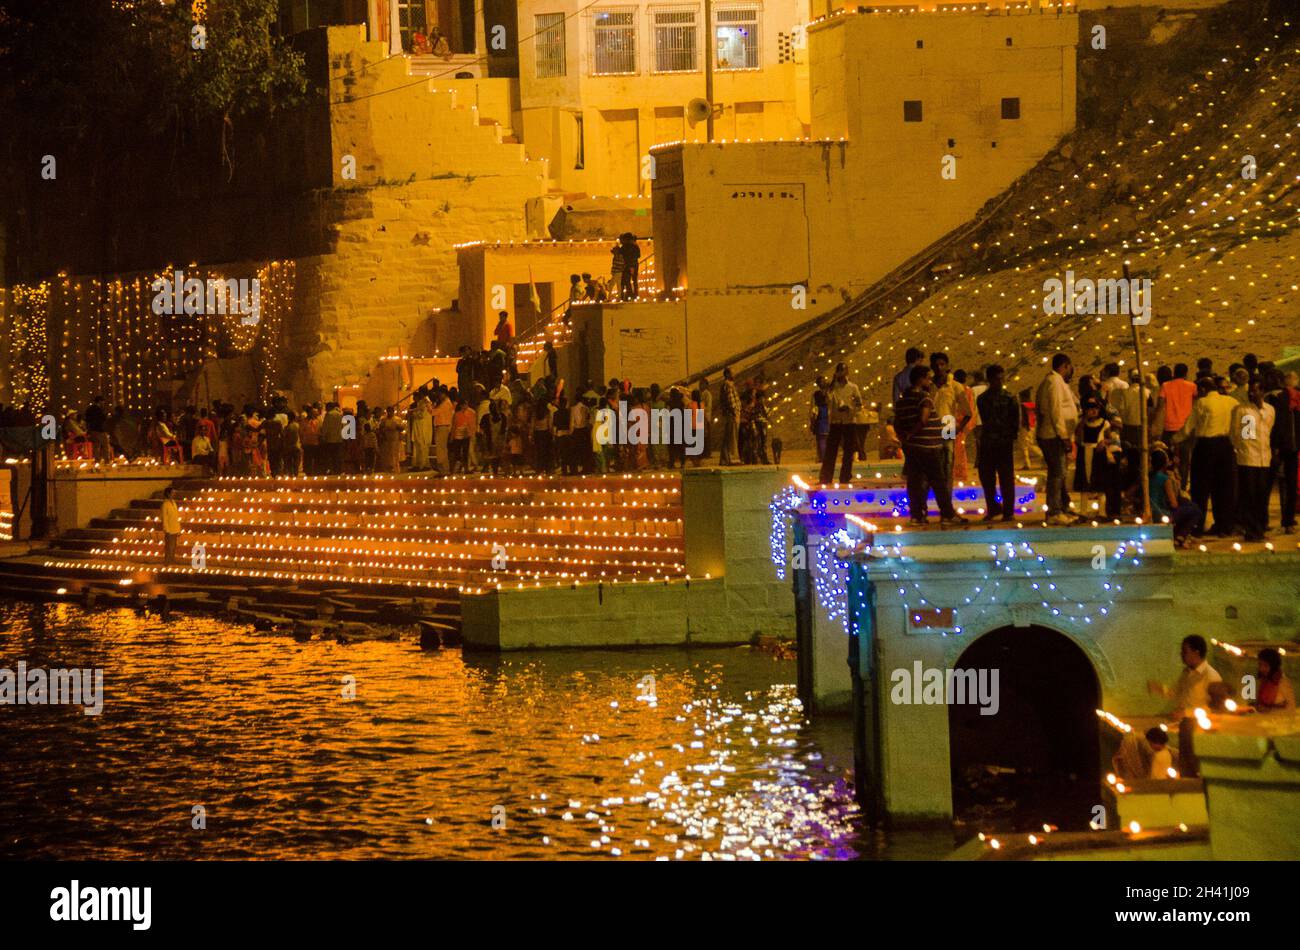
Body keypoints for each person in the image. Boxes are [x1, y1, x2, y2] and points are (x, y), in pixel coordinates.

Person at [895, 365, 963, 525]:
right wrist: (913, 432)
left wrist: (905, 438)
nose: (930, 380)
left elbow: (897, 421)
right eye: (927, 377)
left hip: (912, 446)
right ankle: (947, 513)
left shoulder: (902, 400)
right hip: (929, 445)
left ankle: (917, 515)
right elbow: (924, 419)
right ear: (920, 379)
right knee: (938, 481)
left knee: (914, 481)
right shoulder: (924, 398)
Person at [1180, 375, 1238, 536]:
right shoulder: (1232, 402)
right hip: (1227, 447)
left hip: (1206, 447)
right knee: (1225, 489)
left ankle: (1198, 526)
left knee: (1201, 488)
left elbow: (1187, 429)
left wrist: (1173, 439)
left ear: (1203, 389)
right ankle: (1225, 526)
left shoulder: (1202, 403)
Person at [1035, 353, 1080, 524]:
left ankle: (1062, 507)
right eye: (1070, 367)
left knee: (1059, 473)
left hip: (1055, 435)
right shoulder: (1053, 382)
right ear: (1065, 366)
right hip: (1053, 435)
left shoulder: (1056, 382)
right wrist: (1064, 435)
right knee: (1057, 473)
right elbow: (1055, 411)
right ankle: (1054, 511)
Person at [1230, 379, 1275, 542]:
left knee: (1262, 495)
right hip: (1248, 457)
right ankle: (1251, 529)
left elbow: (1269, 430)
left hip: (1264, 458)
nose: (1251, 393)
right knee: (1249, 495)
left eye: (1255, 390)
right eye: (1251, 390)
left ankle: (1261, 526)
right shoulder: (1241, 410)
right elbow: (1235, 433)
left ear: (1262, 392)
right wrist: (1242, 448)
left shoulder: (1270, 410)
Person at [975, 364, 1018, 522]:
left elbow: (1015, 423)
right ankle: (995, 508)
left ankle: (1007, 511)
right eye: (997, 379)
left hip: (1001, 442)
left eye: (1001, 378)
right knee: (988, 479)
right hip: (992, 442)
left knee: (1005, 479)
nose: (999, 382)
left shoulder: (1008, 398)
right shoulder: (984, 399)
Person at [1265, 369, 1298, 535]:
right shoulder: (1287, 399)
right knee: (1289, 485)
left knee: (1268, 484)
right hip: (1290, 446)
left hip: (1278, 447)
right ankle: (1287, 521)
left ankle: (1263, 520)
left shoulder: (1273, 398)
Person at [819, 362, 862, 485]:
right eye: (839, 371)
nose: (841, 374)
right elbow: (826, 399)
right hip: (836, 422)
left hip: (849, 421)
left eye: (843, 371)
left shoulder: (853, 387)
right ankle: (826, 477)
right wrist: (832, 384)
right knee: (831, 451)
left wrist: (850, 408)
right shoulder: (832, 388)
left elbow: (859, 404)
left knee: (848, 451)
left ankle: (845, 476)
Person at [1149, 448, 1198, 547]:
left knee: (1188, 506)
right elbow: (1174, 503)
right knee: (1195, 511)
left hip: (1149, 512)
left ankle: (1180, 536)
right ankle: (1181, 536)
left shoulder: (1147, 477)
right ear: (1165, 463)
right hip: (1161, 514)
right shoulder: (1164, 479)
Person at [1160, 364, 1198, 478]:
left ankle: (1170, 483)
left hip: (1169, 426)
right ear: (1186, 374)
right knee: (1185, 459)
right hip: (1186, 427)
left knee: (1168, 458)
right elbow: (1196, 403)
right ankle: (1182, 485)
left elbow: (1160, 404)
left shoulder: (1165, 385)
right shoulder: (1192, 386)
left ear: (1174, 372)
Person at [1255, 648, 1295, 712]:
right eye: (1260, 665)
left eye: (1266, 666)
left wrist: (1270, 710)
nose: (1261, 669)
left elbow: (1291, 708)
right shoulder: (1264, 681)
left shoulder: (1283, 682)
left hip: (1279, 720)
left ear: (1273, 666)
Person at [891, 347, 926, 415]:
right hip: (919, 409)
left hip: (905, 409)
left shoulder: (898, 377)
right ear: (917, 359)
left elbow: (896, 399)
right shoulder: (921, 374)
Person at [719, 368, 741, 466]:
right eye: (732, 373)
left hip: (732, 413)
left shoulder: (729, 385)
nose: (734, 374)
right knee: (730, 437)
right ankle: (729, 459)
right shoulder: (727, 385)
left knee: (729, 437)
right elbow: (730, 400)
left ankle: (725, 459)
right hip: (731, 414)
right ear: (727, 374)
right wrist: (734, 412)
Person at [450, 398, 476, 474]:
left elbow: (472, 424)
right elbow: (454, 426)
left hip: (466, 434)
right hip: (457, 434)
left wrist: (471, 433)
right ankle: (456, 468)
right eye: (464, 404)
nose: (466, 406)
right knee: (457, 452)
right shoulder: (457, 414)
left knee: (465, 452)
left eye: (466, 404)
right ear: (461, 406)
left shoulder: (471, 412)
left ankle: (466, 468)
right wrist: (452, 436)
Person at [432, 388, 454, 474]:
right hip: (440, 427)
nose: (440, 396)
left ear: (444, 394)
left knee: (442, 449)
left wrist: (429, 405)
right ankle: (442, 469)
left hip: (443, 427)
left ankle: (444, 469)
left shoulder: (446, 403)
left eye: (441, 394)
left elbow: (434, 412)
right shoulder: (443, 403)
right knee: (440, 449)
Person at [86, 396, 112, 463]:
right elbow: (102, 418)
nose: (103, 403)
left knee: (96, 446)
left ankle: (97, 460)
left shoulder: (89, 409)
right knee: (105, 445)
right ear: (100, 401)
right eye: (103, 401)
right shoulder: (99, 409)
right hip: (100, 429)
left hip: (93, 429)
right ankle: (107, 460)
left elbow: (87, 419)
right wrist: (107, 417)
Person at [160, 487, 181, 566]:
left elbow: (176, 517)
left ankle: (171, 561)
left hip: (175, 528)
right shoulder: (165, 505)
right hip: (169, 530)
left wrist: (178, 529)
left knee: (173, 547)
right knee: (169, 547)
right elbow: (164, 518)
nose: (174, 494)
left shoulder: (174, 503)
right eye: (172, 493)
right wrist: (166, 530)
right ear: (168, 494)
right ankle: (167, 562)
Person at [619, 233, 641, 300]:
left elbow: (625, 255)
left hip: (629, 265)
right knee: (634, 280)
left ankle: (630, 295)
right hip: (634, 265)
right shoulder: (635, 246)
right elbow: (638, 255)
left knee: (627, 281)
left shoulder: (627, 246)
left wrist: (631, 266)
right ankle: (634, 294)